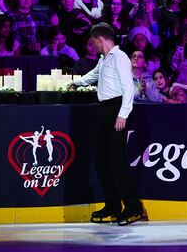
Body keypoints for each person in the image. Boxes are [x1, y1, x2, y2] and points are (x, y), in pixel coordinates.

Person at [69, 22, 146, 226]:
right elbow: (94, 75)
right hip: (105, 110)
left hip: (116, 109)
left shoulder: (119, 57)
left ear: (100, 39)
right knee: (101, 161)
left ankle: (134, 207)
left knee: (117, 161)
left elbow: (128, 87)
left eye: (93, 41)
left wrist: (122, 115)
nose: (92, 45)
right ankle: (112, 206)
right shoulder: (105, 59)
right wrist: (75, 83)